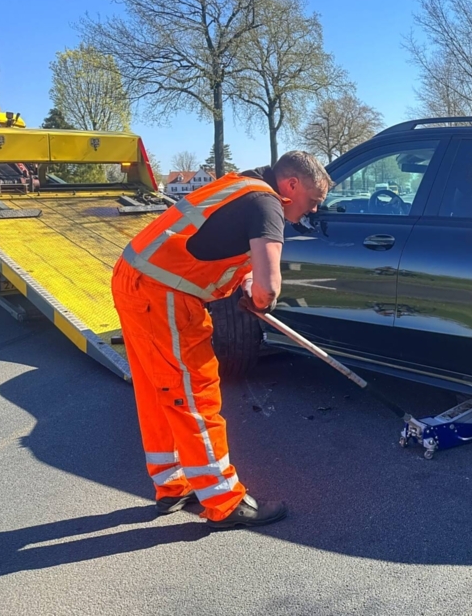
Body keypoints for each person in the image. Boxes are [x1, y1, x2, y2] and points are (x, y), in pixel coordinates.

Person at [111, 150, 331, 529]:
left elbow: (230, 251)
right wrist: (262, 299)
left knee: (159, 389)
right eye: (312, 201)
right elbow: (268, 287)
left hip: (136, 280)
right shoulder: (268, 204)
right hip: (164, 294)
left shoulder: (241, 186)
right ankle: (224, 501)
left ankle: (171, 483)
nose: (311, 211)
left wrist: (248, 286)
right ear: (292, 185)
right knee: (193, 392)